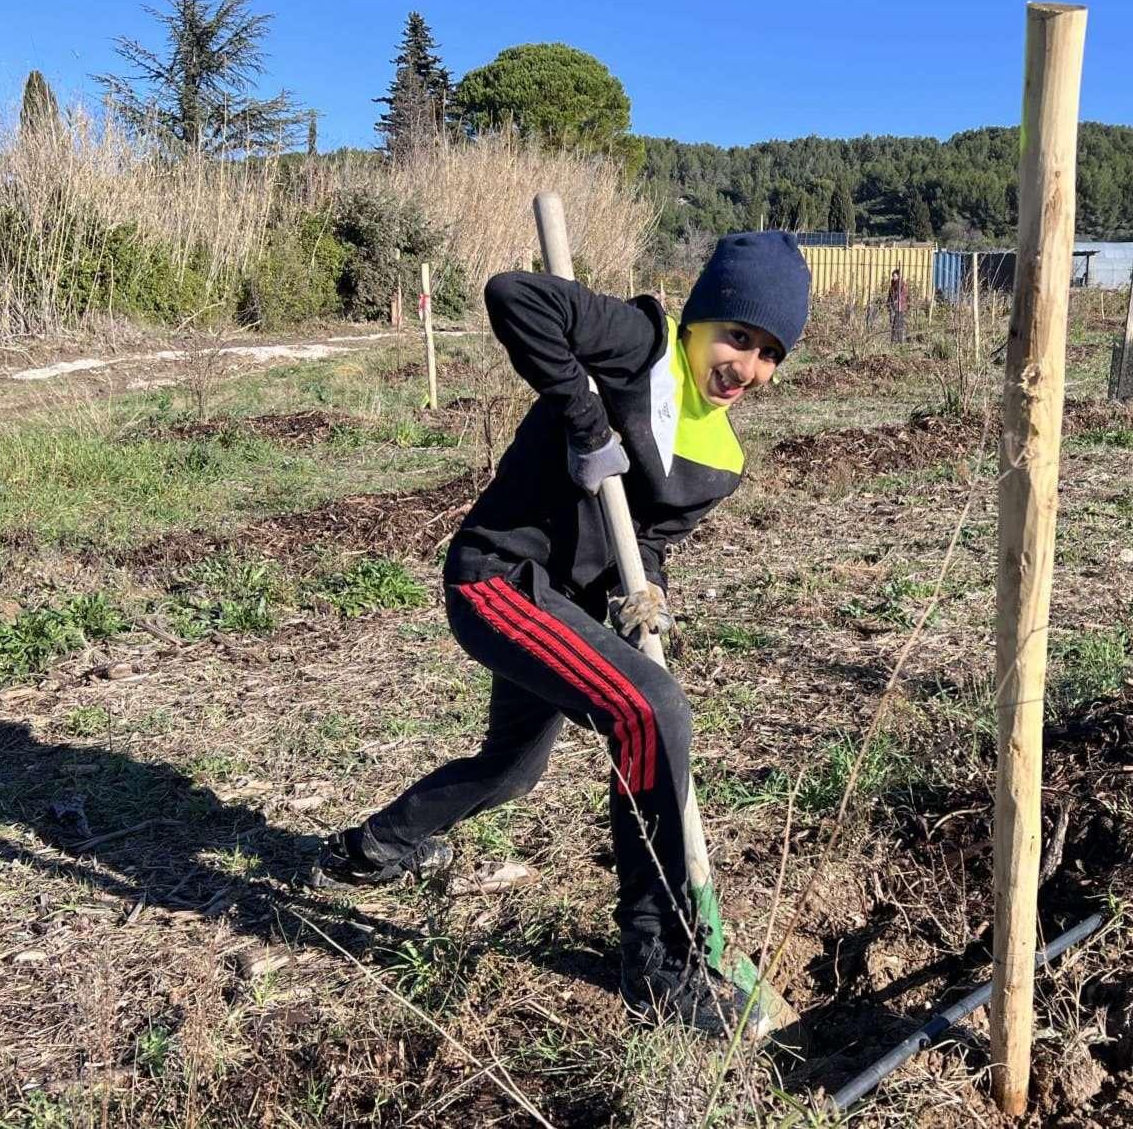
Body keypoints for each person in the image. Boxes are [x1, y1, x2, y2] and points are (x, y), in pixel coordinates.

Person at [310, 232, 810, 1035]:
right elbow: (515, 295)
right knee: (649, 711)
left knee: (512, 769)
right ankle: (657, 962)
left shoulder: (722, 456)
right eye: (738, 336)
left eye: (769, 354)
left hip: (564, 608)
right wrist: (584, 421)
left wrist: (647, 593)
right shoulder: (640, 346)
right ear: (701, 320)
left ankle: (371, 849)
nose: (745, 366)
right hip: (500, 578)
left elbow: (645, 539)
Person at [886, 266, 909, 343]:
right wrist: (888, 303)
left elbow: (903, 296)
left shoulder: (902, 285)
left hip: (900, 308)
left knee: (899, 324)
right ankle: (893, 340)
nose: (893, 277)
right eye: (893, 276)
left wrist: (897, 301)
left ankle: (899, 340)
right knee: (893, 324)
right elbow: (890, 295)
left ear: (898, 276)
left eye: (895, 276)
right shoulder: (893, 285)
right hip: (893, 307)